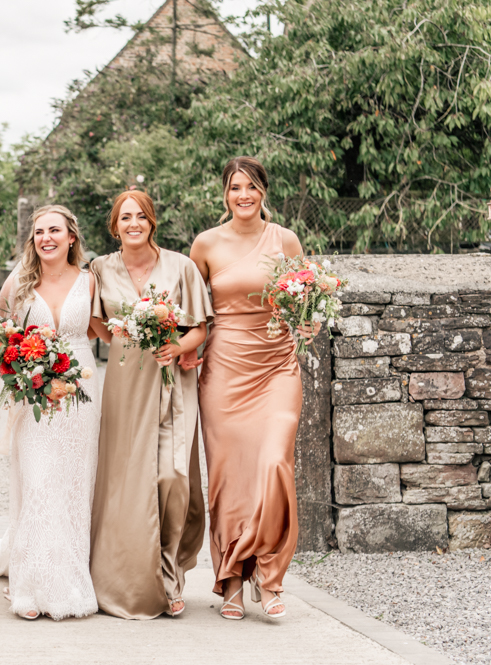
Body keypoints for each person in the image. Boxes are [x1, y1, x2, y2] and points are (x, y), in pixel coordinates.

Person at [0, 205, 101, 621]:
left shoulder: (90, 281)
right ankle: (30, 584)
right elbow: (0, 339)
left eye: (55, 230)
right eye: (39, 232)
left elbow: (100, 331)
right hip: (32, 394)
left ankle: (70, 578)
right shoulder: (18, 284)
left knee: (73, 488)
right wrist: (20, 368)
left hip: (80, 390)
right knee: (38, 483)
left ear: (71, 237)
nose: (46, 238)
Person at [188, 156, 315, 620]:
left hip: (278, 366)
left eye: (251, 187)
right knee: (229, 476)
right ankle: (231, 581)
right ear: (225, 194)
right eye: (235, 187)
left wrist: (309, 324)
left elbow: (306, 296)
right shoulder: (205, 244)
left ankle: (271, 575)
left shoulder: (285, 240)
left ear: (264, 191)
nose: (243, 195)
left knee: (274, 462)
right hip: (224, 370)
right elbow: (191, 310)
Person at [89, 190, 213, 620]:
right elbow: (94, 322)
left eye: (141, 216)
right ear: (115, 225)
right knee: (129, 482)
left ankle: (171, 570)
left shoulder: (180, 266)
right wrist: (125, 341)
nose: (133, 224)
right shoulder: (100, 268)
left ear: (152, 221)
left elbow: (200, 326)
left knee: (173, 476)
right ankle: (138, 579)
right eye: (125, 218)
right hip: (125, 386)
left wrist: (177, 344)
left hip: (173, 384)